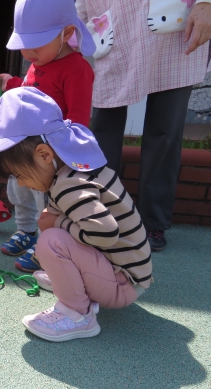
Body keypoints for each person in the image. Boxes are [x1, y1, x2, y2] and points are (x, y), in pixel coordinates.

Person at [0, 87, 152, 342]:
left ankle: (77, 315)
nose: (22, 183)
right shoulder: (75, 169)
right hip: (128, 275)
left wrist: (57, 222)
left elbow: (105, 233)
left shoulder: (69, 185)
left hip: (122, 285)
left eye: (20, 175)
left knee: (51, 241)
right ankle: (70, 281)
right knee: (53, 230)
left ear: (44, 155)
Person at [75, 0, 211, 251]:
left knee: (165, 131)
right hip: (114, 26)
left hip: (175, 29)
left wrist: (206, 4)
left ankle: (153, 221)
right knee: (103, 131)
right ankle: (101, 214)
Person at [0, 0, 96, 273]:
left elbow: (79, 119)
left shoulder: (76, 69)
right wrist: (13, 84)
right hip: (23, 145)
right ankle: (25, 230)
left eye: (36, 45)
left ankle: (45, 243)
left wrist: (65, 154)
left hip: (50, 153)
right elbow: (32, 92)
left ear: (67, 32)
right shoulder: (39, 60)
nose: (28, 52)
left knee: (46, 202)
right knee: (19, 189)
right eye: (24, 45)